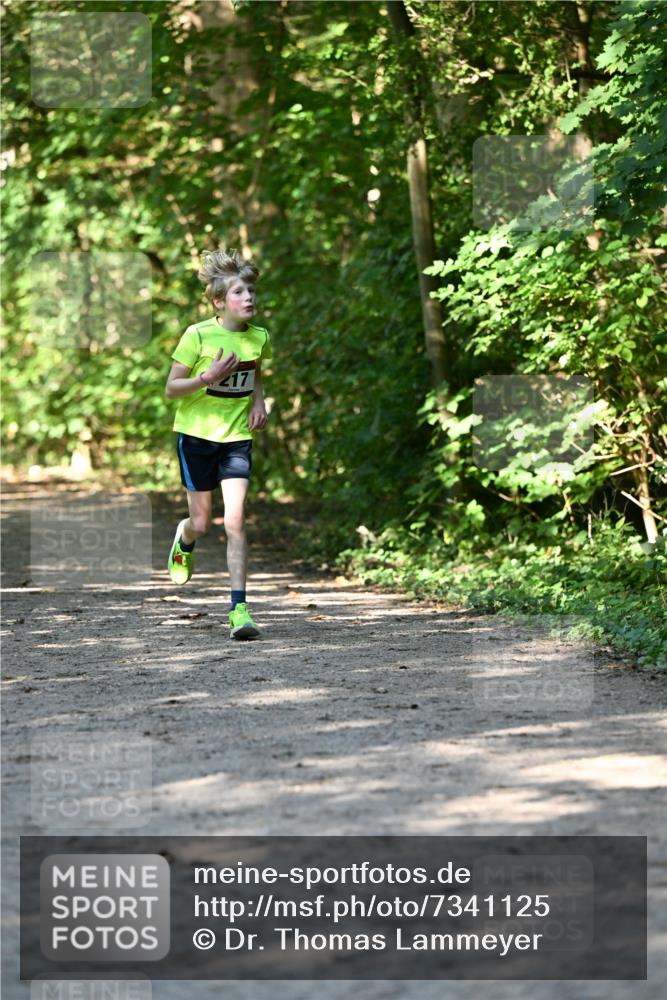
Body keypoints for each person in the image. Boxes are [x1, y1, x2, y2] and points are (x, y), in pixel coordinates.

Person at [164, 247, 271, 639]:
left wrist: (258, 401)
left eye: (251, 292)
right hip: (196, 437)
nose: (249, 298)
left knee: (237, 520)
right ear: (218, 302)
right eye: (240, 292)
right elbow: (172, 389)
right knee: (203, 522)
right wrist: (207, 377)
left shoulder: (259, 337)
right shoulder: (197, 335)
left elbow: (255, 370)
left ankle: (239, 609)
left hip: (236, 439)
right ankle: (185, 536)